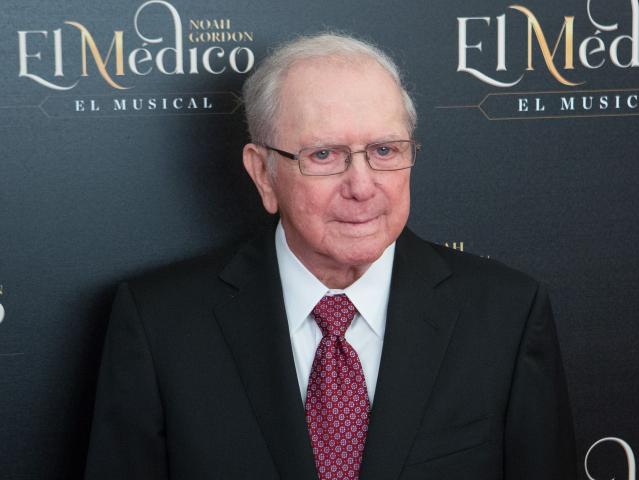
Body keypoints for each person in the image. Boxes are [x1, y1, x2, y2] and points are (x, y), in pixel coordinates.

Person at [85, 33, 577, 480]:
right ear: (263, 174)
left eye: (384, 150)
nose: (362, 186)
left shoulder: (508, 314)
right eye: (324, 155)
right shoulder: (159, 323)